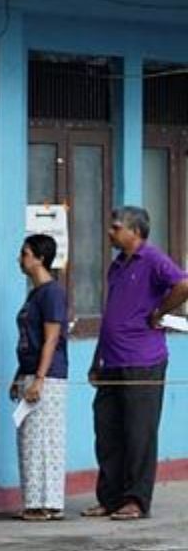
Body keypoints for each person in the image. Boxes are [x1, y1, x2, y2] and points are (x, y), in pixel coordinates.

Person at [84, 206, 188, 521]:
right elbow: (111, 315)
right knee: (107, 430)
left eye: (116, 227)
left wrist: (159, 312)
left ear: (136, 232)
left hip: (143, 360)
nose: (110, 232)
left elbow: (183, 285)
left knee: (139, 432)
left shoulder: (153, 259)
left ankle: (135, 500)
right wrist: (97, 359)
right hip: (111, 360)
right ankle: (110, 497)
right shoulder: (117, 266)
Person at [10, 234, 70, 522]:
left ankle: (47, 502)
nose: (20, 259)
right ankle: (34, 501)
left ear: (40, 258)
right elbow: (28, 340)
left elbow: (51, 339)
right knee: (29, 440)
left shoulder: (52, 293)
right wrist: (19, 375)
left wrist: (40, 378)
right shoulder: (34, 294)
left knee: (44, 440)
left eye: (25, 254)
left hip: (47, 376)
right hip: (30, 372)